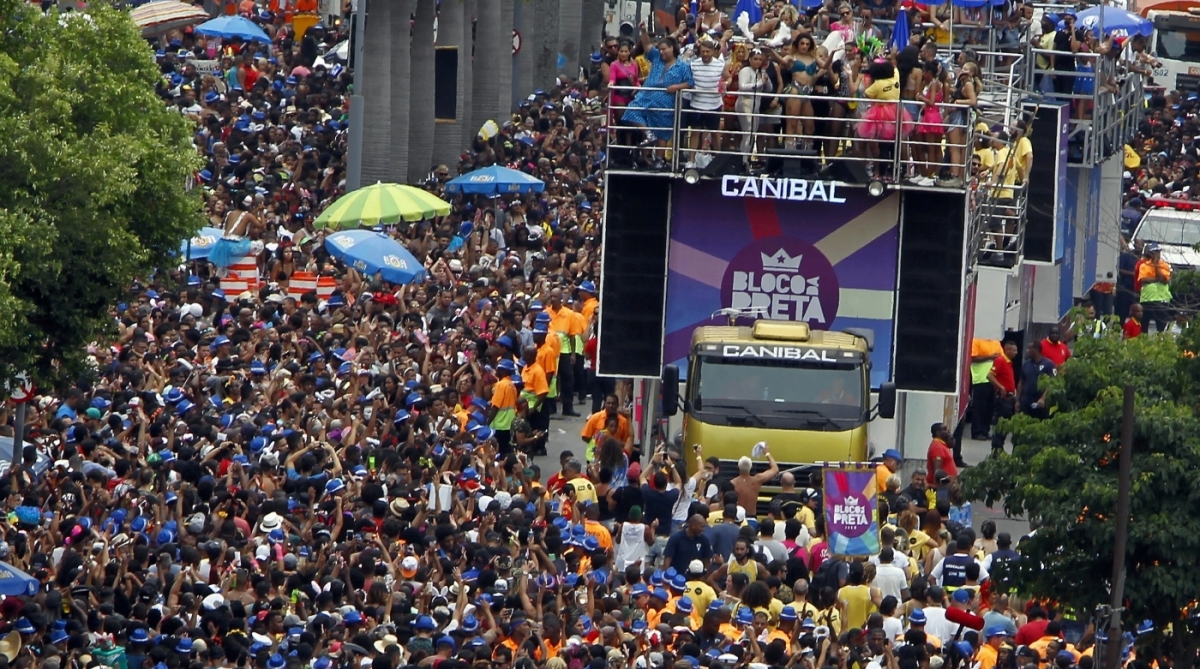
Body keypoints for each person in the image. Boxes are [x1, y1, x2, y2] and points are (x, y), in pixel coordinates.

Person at [621, 23, 695, 169]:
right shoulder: (656, 58)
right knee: (632, 110)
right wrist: (643, 31)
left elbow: (690, 82)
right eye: (660, 49)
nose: (661, 52)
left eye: (663, 49)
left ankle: (659, 160)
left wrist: (676, 87)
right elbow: (647, 46)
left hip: (666, 98)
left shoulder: (682, 65)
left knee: (663, 129)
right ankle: (649, 134)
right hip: (647, 94)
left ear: (672, 48)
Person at [987, 340, 1019, 453]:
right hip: (1003, 399)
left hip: (1010, 398)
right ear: (1007, 350)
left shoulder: (1009, 362)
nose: (1016, 353)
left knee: (1006, 425)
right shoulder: (1000, 360)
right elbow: (990, 375)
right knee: (1001, 424)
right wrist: (1000, 387)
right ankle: (996, 450)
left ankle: (999, 448)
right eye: (1014, 350)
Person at [732, 446, 779, 512]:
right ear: (751, 467)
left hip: (738, 517)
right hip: (752, 517)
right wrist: (767, 453)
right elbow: (775, 469)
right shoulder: (757, 480)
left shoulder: (733, 483)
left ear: (738, 467)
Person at [1138, 244, 1172, 334]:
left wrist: (1156, 265)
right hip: (1147, 299)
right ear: (1150, 253)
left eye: (1158, 252)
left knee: (1161, 326)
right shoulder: (1144, 265)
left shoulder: (1164, 265)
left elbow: (1164, 280)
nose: (1157, 254)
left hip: (1161, 299)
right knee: (1144, 326)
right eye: (1155, 252)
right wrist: (1157, 279)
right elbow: (1143, 280)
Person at [1018, 342, 1056, 420]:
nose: (1027, 351)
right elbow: (1021, 382)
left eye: (1029, 349)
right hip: (1026, 401)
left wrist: (1043, 398)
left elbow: (1052, 382)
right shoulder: (1026, 364)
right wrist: (1017, 400)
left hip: (1040, 402)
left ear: (1036, 350)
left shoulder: (1049, 364)